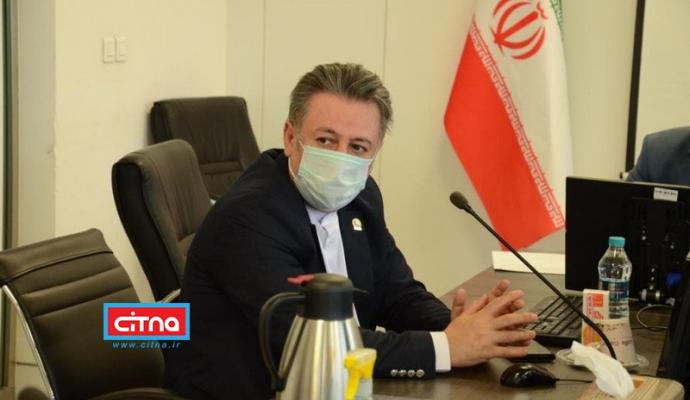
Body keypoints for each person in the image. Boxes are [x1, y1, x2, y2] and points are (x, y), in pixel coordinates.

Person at [165, 62, 538, 399]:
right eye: (326, 140)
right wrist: (446, 347)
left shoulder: (361, 196)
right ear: (291, 137)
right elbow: (310, 343)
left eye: (358, 147)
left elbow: (396, 291)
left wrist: (458, 326)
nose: (341, 158)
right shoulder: (248, 217)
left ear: (373, 156)